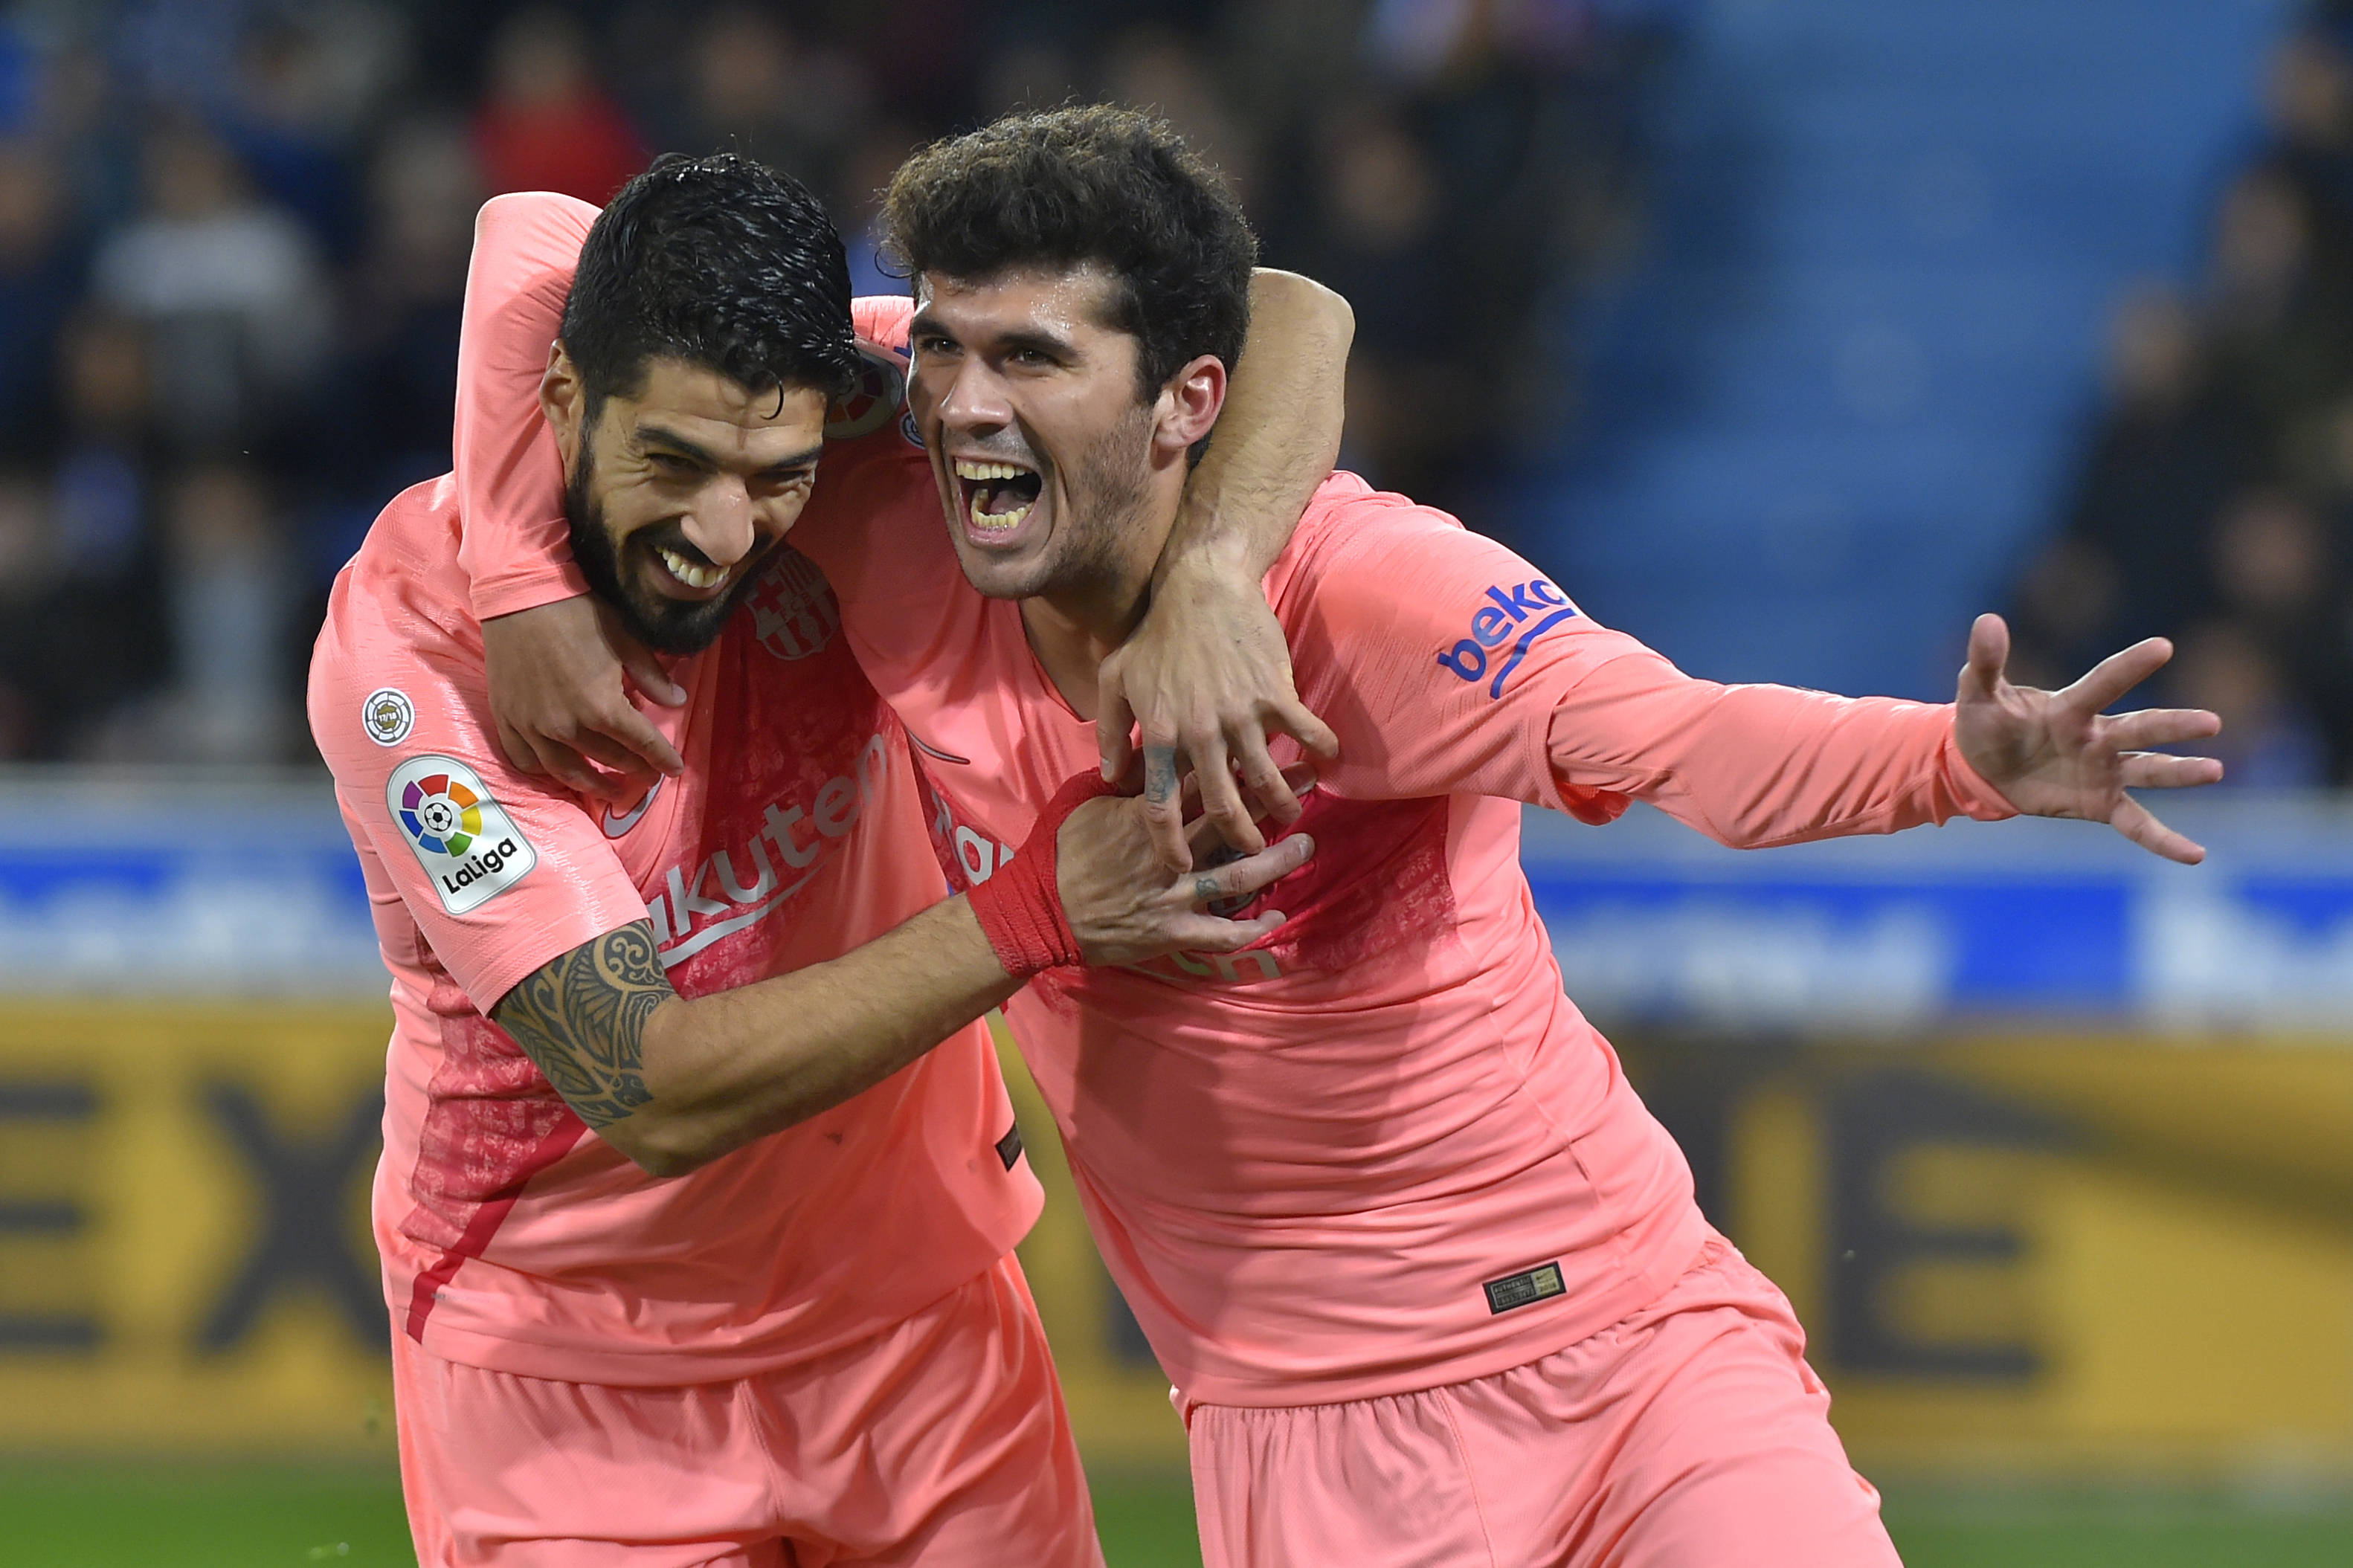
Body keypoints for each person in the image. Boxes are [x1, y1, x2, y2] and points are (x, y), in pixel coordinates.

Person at [462, 111, 2224, 1568]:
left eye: (1030, 358)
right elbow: (537, 246)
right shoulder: (893, 478)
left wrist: (1956, 760)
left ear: (1183, 405)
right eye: (942, 346)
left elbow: (1678, 736)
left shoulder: (1370, 593)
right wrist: (513, 570)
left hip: (1632, 1351)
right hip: (1306, 1445)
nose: (965, 402)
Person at [307, 151, 1352, 1568]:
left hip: (918, 1325)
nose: (721, 535)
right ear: (560, 401)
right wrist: (1040, 905)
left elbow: (1293, 312)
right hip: (568, 1386)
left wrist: (1220, 569)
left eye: (776, 477)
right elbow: (644, 1083)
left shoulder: (880, 397)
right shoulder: (410, 659)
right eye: (669, 464)